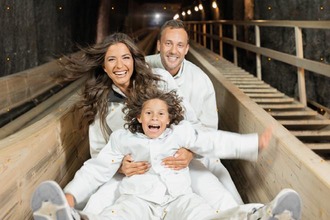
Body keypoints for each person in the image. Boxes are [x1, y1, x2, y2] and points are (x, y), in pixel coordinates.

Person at [31, 88, 301, 220]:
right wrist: (71, 194)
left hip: (179, 199)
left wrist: (252, 144)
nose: (154, 118)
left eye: (161, 113)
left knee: (203, 214)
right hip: (138, 199)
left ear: (170, 119)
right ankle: (70, 217)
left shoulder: (180, 134)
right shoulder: (123, 138)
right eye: (148, 113)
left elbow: (212, 142)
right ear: (139, 116)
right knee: (117, 215)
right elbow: (97, 168)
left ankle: (256, 216)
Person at [126, 19, 243, 206]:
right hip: (152, 150)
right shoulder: (141, 70)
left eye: (180, 45)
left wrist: (191, 152)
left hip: (191, 150)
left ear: (187, 49)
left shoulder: (201, 81)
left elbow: (209, 130)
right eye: (168, 43)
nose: (173, 51)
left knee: (220, 175)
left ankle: (248, 213)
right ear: (158, 45)